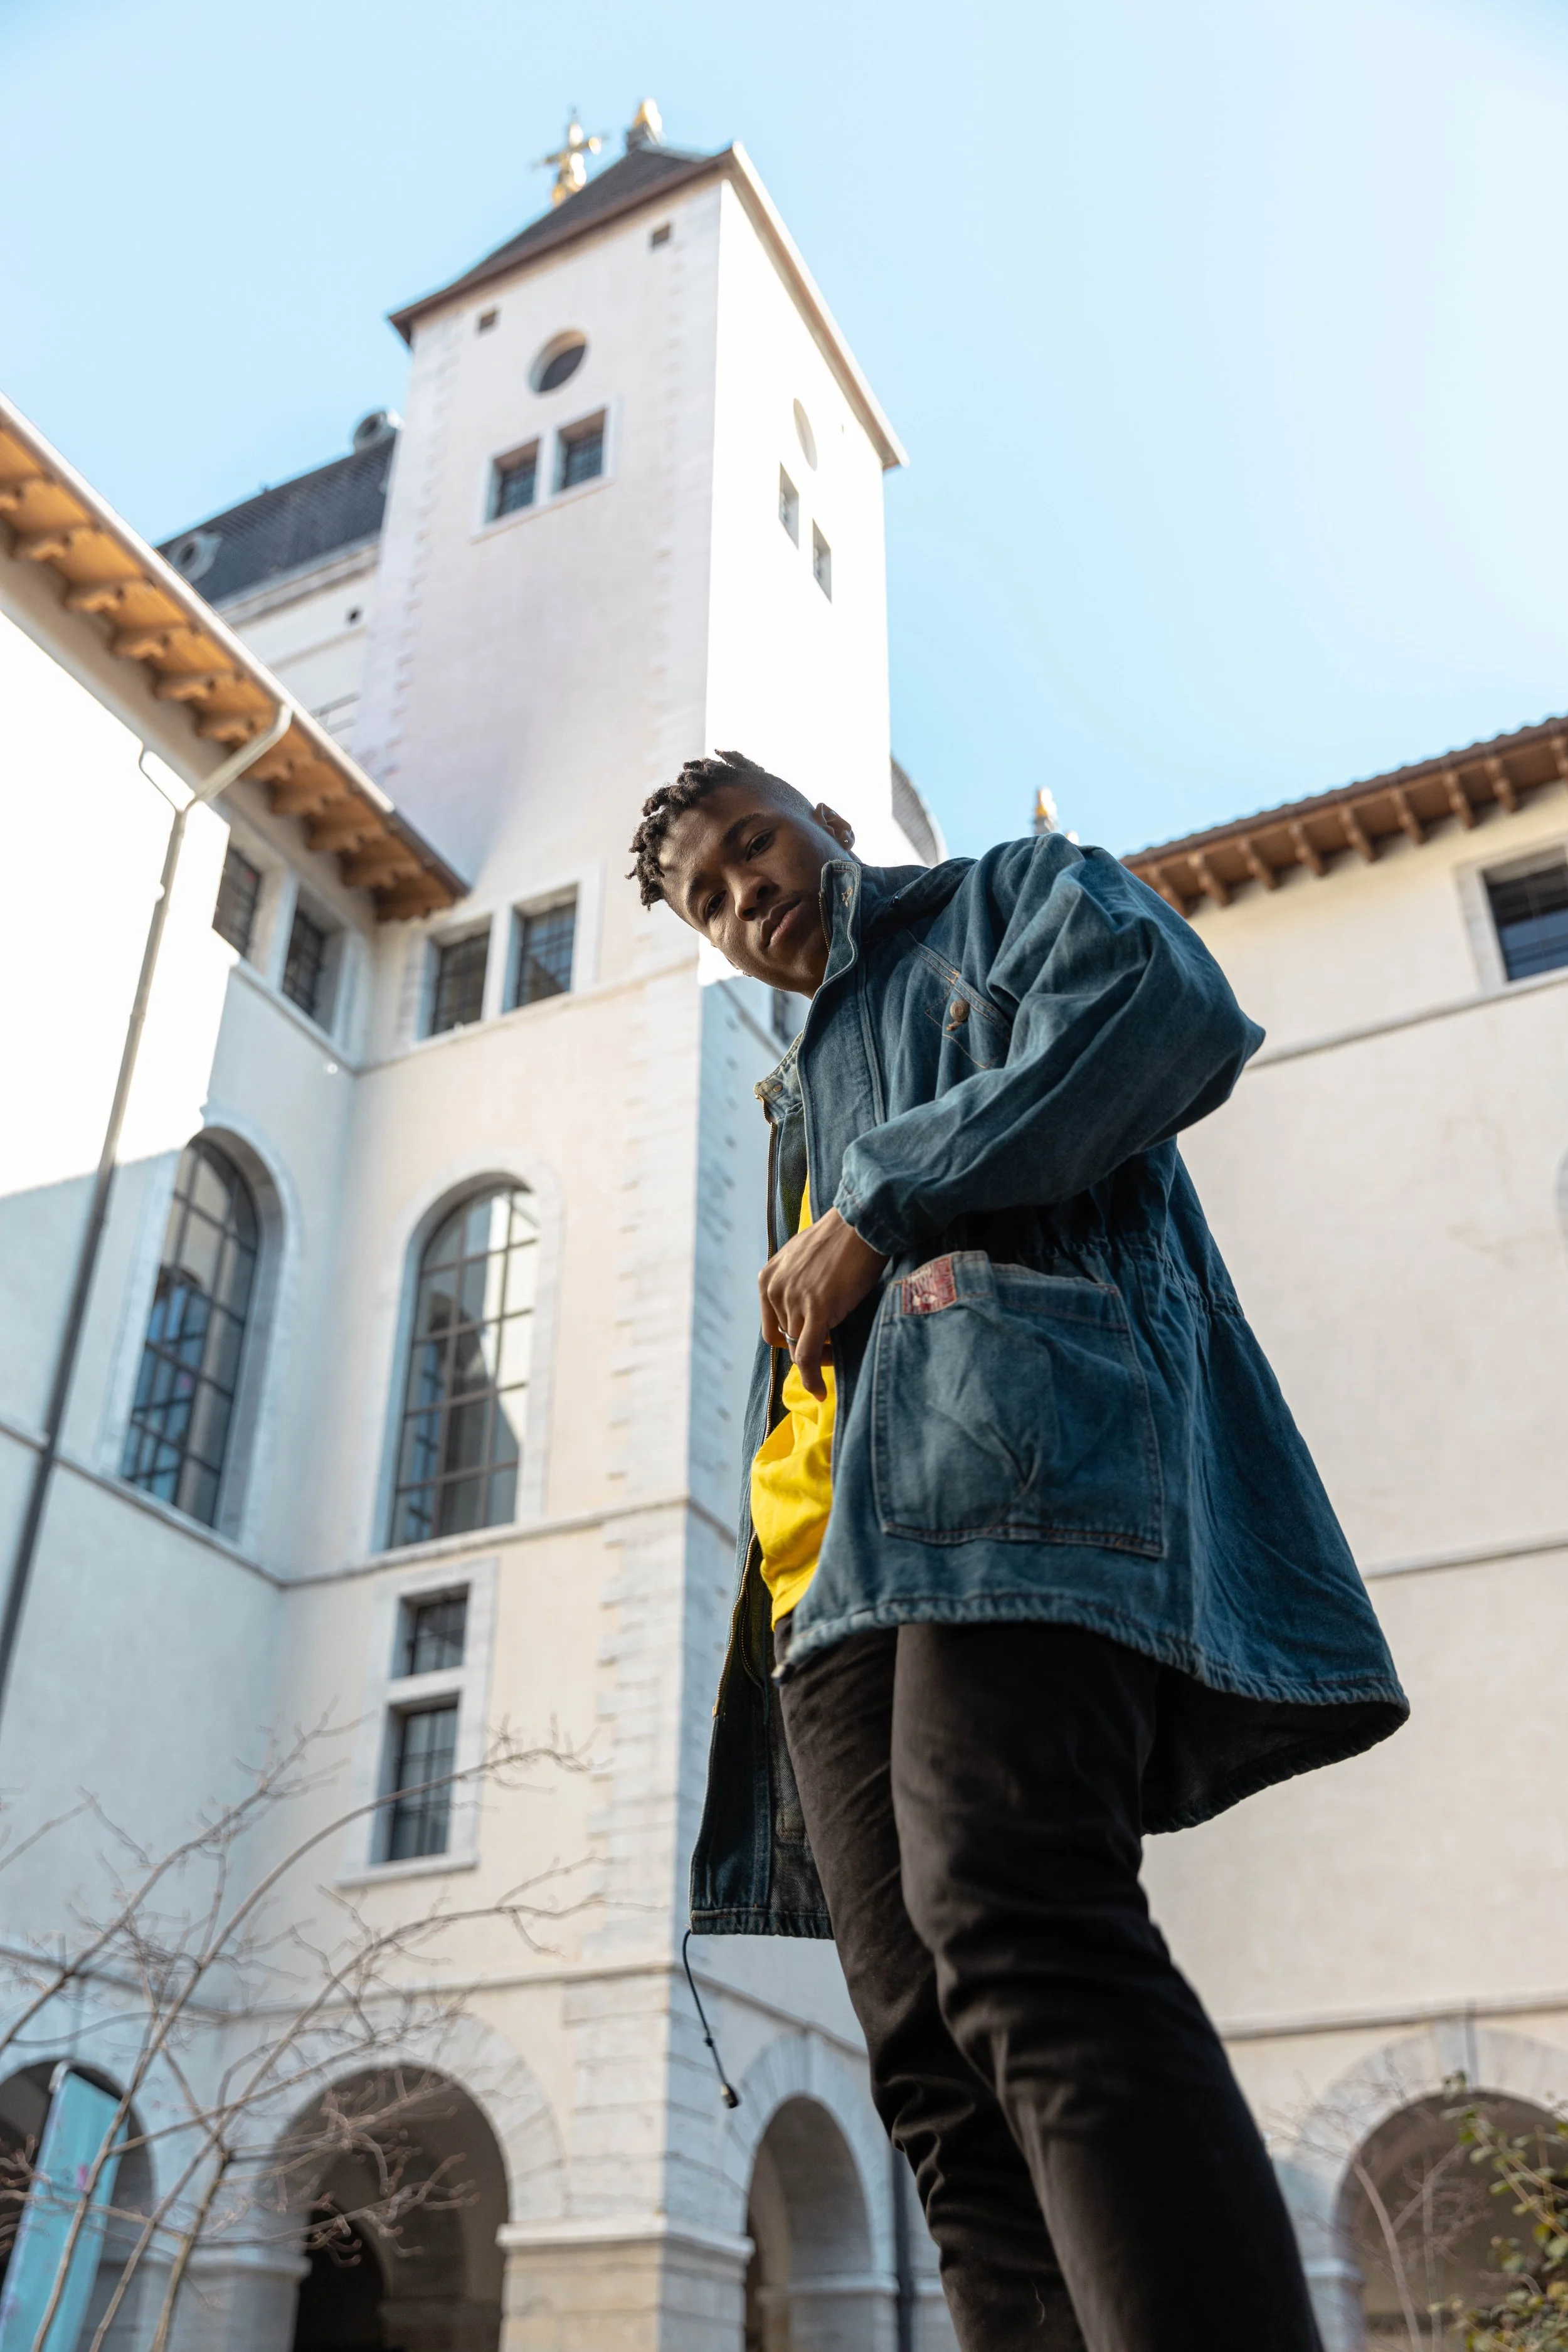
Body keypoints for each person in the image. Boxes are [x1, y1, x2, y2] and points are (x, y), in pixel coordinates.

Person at [627, 750, 1407, 2352]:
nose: (742, 895)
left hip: (1014, 1465)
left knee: (1016, 1911)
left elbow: (1168, 1014)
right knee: (918, 2053)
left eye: (752, 846)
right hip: (827, 1583)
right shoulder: (795, 1090)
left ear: (825, 825)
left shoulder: (1014, 898)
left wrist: (885, 1200)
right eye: (705, 896)